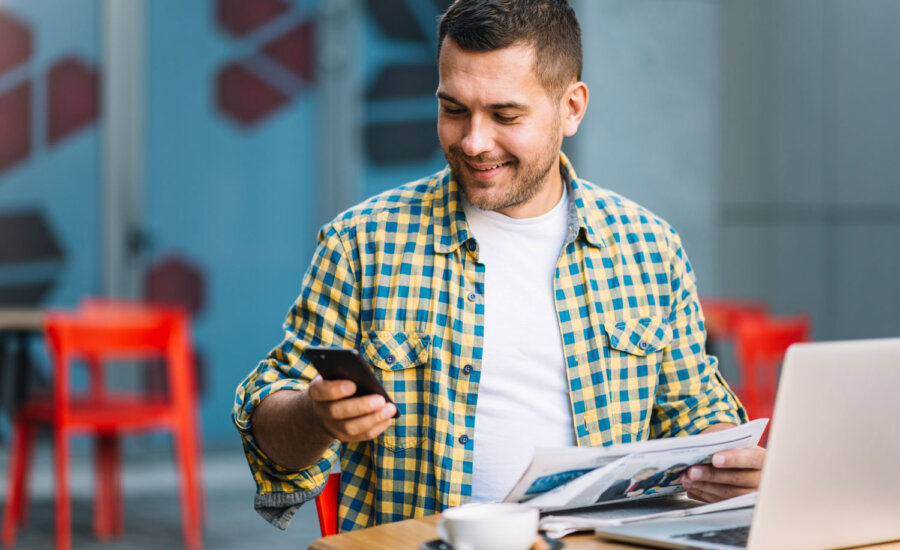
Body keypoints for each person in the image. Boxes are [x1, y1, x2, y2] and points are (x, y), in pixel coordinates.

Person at [233, 0, 766, 532]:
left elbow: (695, 413)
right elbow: (273, 440)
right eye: (453, 109)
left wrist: (733, 465)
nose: (473, 142)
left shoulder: (649, 248)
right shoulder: (362, 244)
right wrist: (316, 416)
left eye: (505, 116)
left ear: (571, 108)